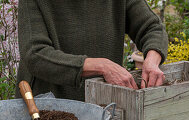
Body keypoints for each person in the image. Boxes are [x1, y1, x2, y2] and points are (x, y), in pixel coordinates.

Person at [16, 0, 168, 101]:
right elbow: (35, 54)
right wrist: (102, 66)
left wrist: (152, 61)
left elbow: (151, 28)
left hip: (103, 102)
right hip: (47, 106)